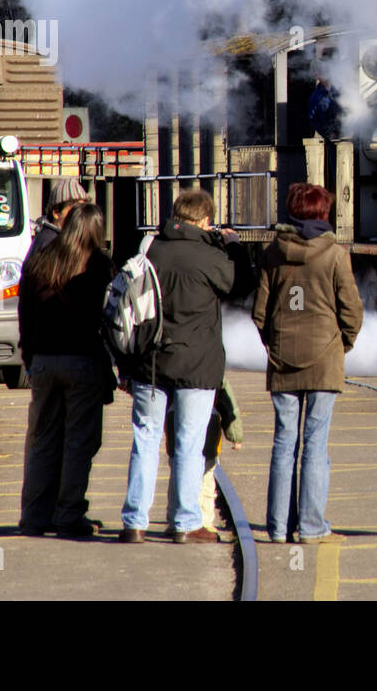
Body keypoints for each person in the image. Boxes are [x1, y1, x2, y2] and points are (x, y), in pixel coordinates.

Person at [119, 189, 252, 544]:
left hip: (150, 361)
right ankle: (185, 523)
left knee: (144, 440)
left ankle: (134, 522)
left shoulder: (152, 249)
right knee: (189, 443)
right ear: (206, 220)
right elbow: (243, 285)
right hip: (196, 364)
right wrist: (234, 245)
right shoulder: (209, 256)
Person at [253, 182, 363, 545]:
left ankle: (278, 527)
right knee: (316, 444)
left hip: (283, 358)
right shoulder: (335, 254)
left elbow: (259, 313)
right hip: (324, 358)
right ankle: (312, 527)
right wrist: (341, 345)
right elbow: (352, 310)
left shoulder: (273, 252)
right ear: (323, 214)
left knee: (284, 443)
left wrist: (274, 345)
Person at [17, 203, 115, 539]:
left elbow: (25, 311)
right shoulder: (98, 264)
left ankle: (34, 516)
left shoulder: (42, 256)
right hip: (82, 360)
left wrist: (29, 355)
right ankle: (69, 514)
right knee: (79, 442)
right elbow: (108, 317)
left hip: (43, 359)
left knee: (43, 439)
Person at [163, 375, 244, 535]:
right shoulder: (215, 369)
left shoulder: (172, 367)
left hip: (176, 421)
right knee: (206, 477)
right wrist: (235, 436)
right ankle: (205, 521)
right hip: (208, 424)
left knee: (177, 476)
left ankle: (174, 519)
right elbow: (228, 405)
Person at [27, 178, 88, 260]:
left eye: (82, 208)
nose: (79, 213)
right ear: (56, 213)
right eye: (73, 208)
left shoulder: (66, 238)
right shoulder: (50, 243)